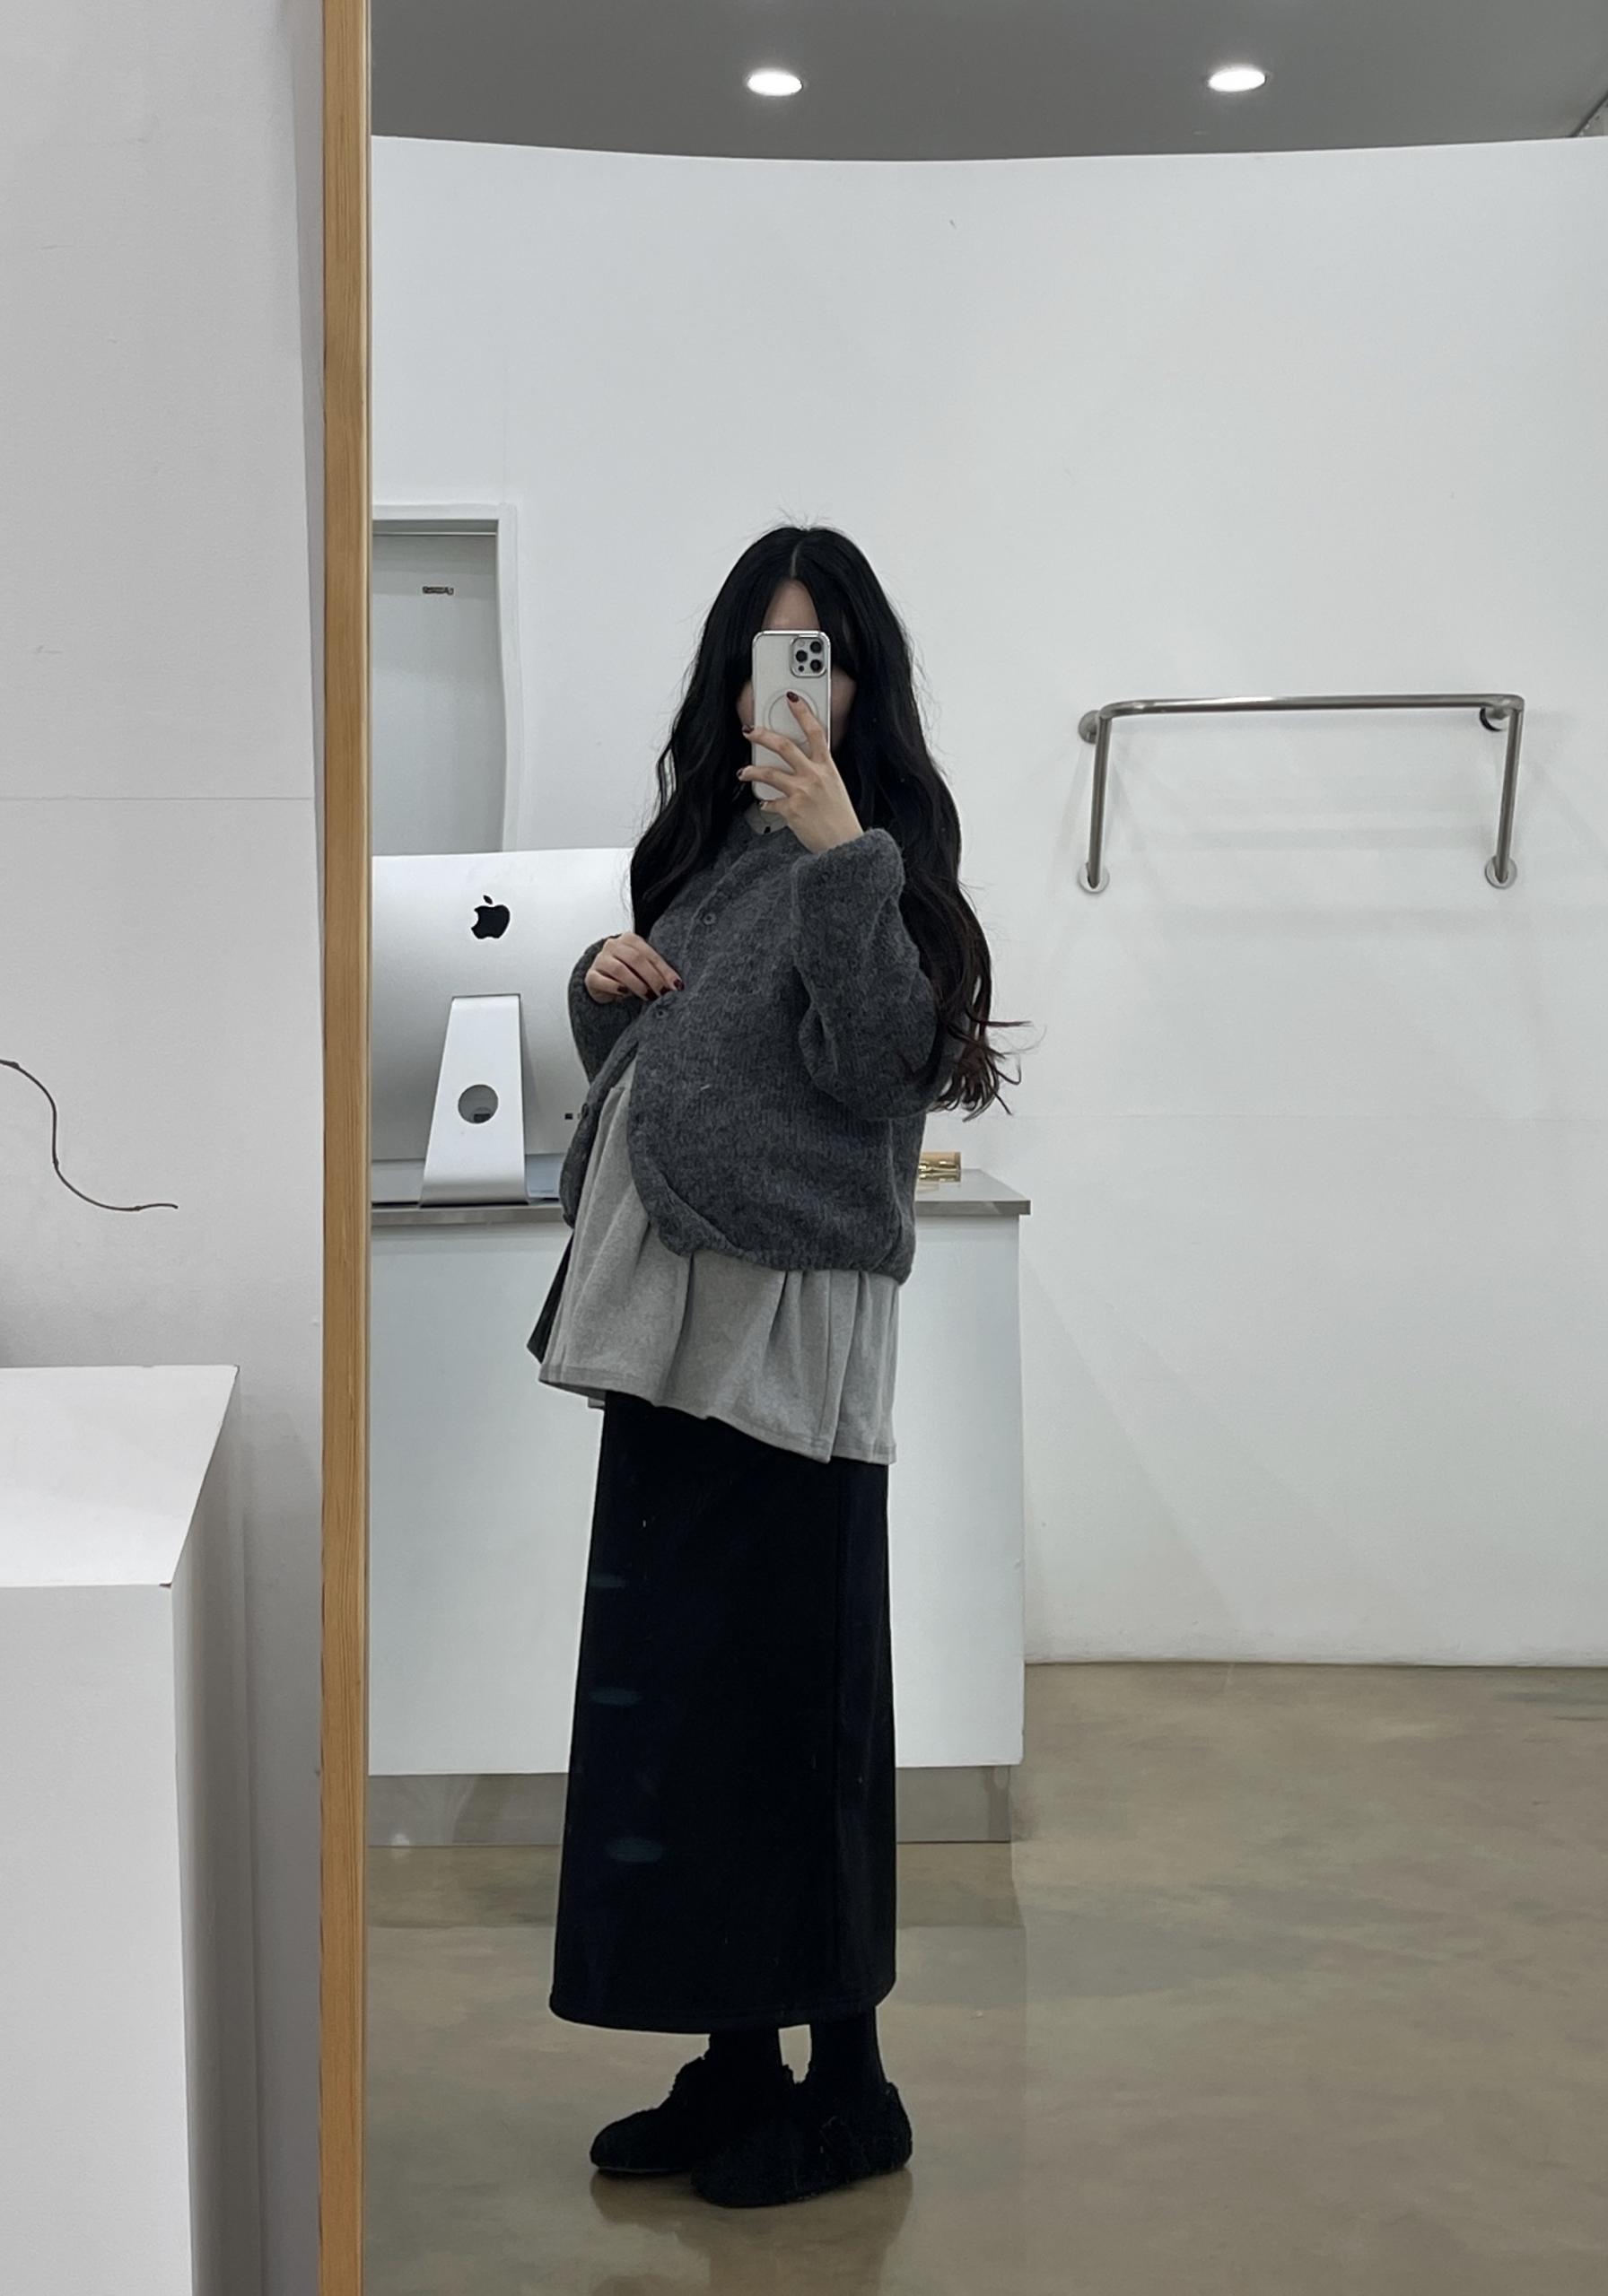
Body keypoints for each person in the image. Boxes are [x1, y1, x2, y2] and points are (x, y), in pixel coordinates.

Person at [527, 525, 1012, 2208]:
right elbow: (700, 1061)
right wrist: (608, 993)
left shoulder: (882, 861)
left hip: (788, 1351)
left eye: (821, 658)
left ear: (862, 686)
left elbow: (879, 1068)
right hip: (672, 1332)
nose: (789, 690)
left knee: (798, 1717)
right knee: (687, 1716)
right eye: (766, 656)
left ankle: (852, 2087)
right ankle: (737, 2060)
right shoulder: (706, 853)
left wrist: (839, 850)